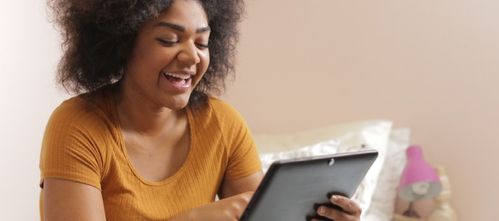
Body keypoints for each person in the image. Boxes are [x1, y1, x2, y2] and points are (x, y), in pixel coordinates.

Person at [39, 0, 363, 220]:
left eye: (202, 43)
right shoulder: (77, 125)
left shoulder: (222, 123)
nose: (192, 57)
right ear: (121, 44)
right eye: (168, 39)